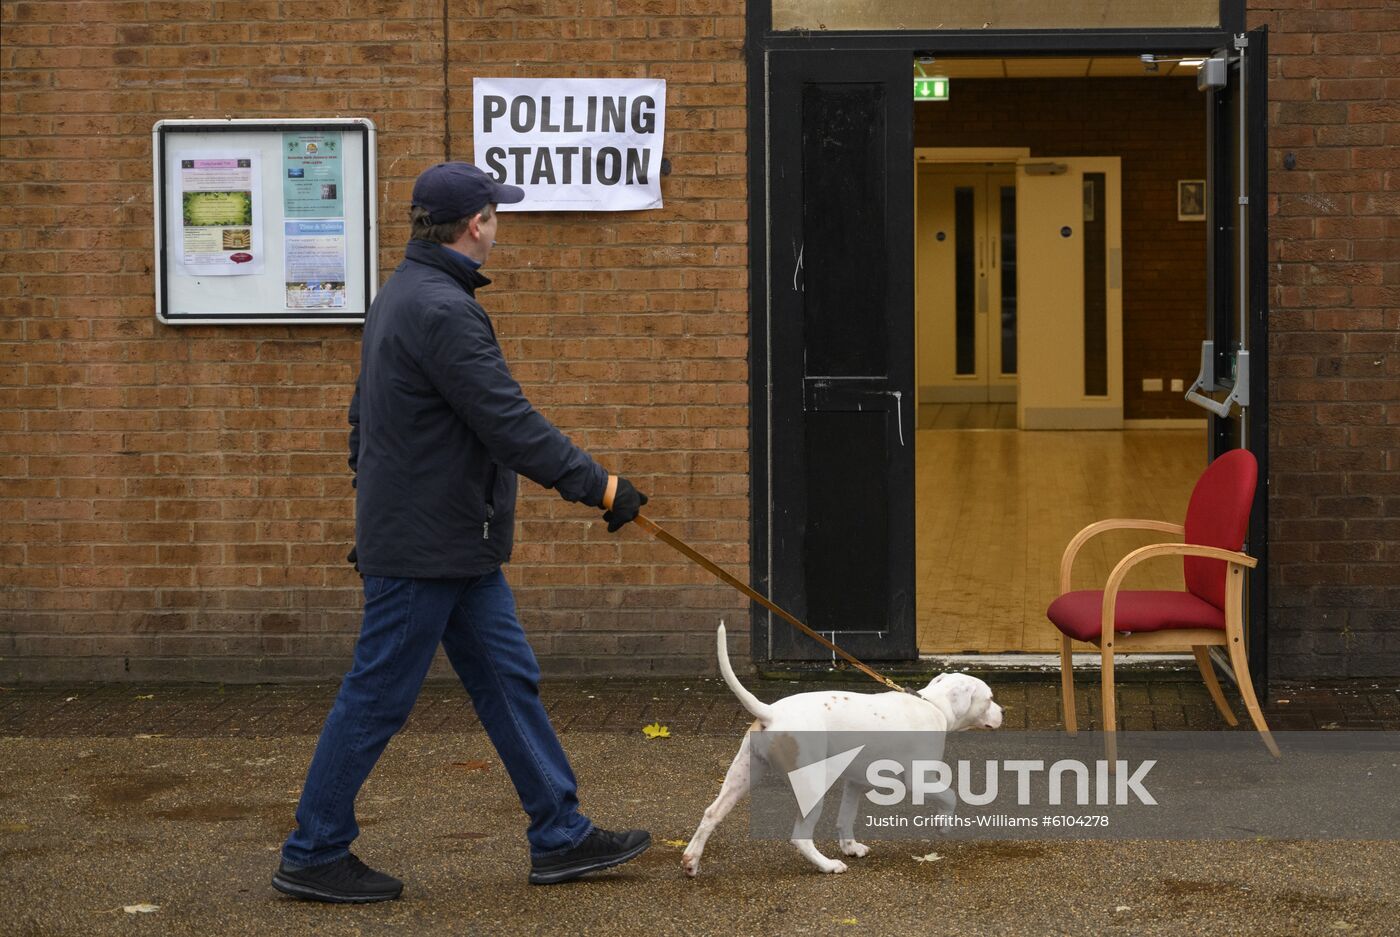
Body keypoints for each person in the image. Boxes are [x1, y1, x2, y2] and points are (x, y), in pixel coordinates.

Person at [272, 162, 651, 903]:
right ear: (476, 223)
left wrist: (375, 501)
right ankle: (313, 849)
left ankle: (560, 834)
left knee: (507, 680)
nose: (499, 223)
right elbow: (506, 421)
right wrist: (600, 485)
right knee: (377, 695)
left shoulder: (403, 296)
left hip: (450, 541)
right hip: (427, 546)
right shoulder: (442, 309)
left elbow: (361, 420)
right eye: (497, 213)